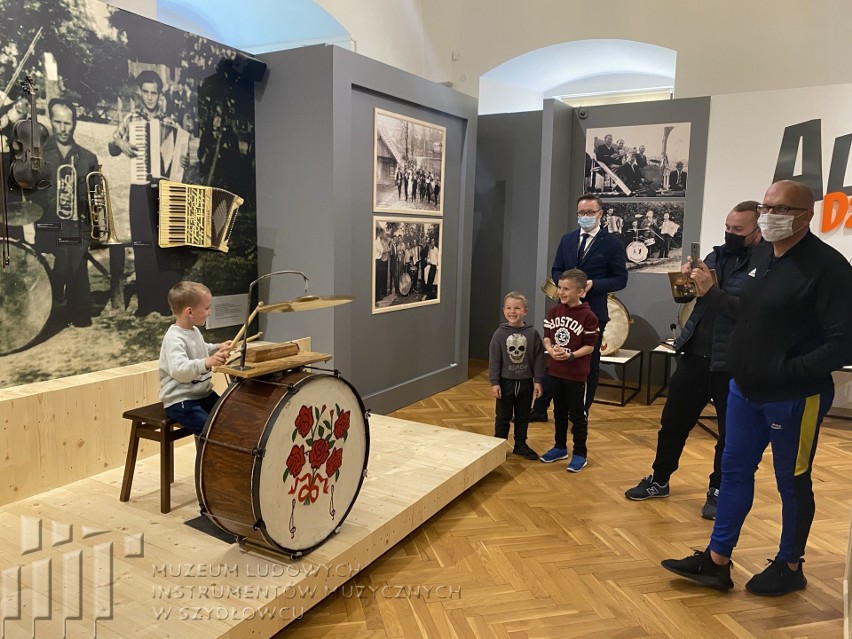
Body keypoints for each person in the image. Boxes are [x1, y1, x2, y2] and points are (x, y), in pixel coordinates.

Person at [661, 180, 852, 596]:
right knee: (733, 474)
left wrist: (786, 371)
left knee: (792, 481)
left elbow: (843, 343)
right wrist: (711, 294)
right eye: (767, 206)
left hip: (795, 398)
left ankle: (790, 564)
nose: (769, 215)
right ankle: (716, 561)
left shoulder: (830, 268)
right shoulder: (761, 257)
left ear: (806, 215)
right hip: (743, 391)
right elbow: (745, 312)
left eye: (781, 209)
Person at [624, 201, 762, 519]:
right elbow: (688, 299)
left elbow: (749, 313)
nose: (730, 234)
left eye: (737, 230)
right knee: (672, 424)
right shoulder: (714, 256)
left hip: (733, 364)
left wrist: (710, 290)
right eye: (727, 227)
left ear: (757, 230)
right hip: (694, 354)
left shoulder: (766, 263)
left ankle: (717, 492)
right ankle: (659, 480)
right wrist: (684, 282)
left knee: (729, 435)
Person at [531, 193, 628, 421]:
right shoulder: (567, 239)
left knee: (589, 364)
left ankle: (581, 411)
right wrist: (565, 285)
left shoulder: (612, 244)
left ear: (600, 214)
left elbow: (621, 279)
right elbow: (556, 269)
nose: (584, 217)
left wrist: (593, 285)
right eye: (581, 213)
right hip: (563, 311)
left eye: (589, 213)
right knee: (554, 357)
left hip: (593, 312)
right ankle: (539, 409)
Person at [109, 69, 190, 316]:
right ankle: (146, 302)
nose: (150, 97)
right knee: (142, 244)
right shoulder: (131, 119)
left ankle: (164, 303)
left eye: (154, 93)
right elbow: (113, 147)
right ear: (139, 93)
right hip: (139, 187)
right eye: (145, 92)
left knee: (163, 246)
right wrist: (119, 143)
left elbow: (179, 158)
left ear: (160, 94)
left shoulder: (170, 122)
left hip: (163, 191)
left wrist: (182, 162)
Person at [32, 99, 100, 327]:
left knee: (73, 243)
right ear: (50, 121)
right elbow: (32, 195)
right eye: (57, 122)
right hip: (48, 223)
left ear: (75, 124)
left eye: (67, 123)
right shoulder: (39, 154)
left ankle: (71, 304)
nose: (62, 128)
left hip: (75, 225)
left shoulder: (88, 158)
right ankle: (65, 303)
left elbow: (94, 199)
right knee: (60, 246)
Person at [539, 269, 599, 471]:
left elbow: (589, 347)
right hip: (556, 371)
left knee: (578, 415)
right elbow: (547, 336)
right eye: (559, 287)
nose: (561, 292)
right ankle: (560, 447)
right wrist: (549, 349)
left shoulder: (589, 316)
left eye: (566, 289)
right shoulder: (553, 311)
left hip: (575, 375)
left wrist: (571, 355)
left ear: (581, 292)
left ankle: (580, 453)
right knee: (558, 411)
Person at [159, 281, 232, 435]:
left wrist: (217, 347)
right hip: (181, 400)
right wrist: (208, 362)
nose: (210, 312)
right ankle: (209, 458)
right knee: (212, 431)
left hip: (202, 394)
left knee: (229, 417)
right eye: (206, 308)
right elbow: (180, 370)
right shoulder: (174, 338)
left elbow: (200, 348)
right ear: (189, 312)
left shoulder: (193, 331)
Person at [489, 291, 545, 461]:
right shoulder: (499, 334)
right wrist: (495, 382)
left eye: (517, 308)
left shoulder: (532, 333)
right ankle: (498, 446)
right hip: (505, 383)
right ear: (503, 310)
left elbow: (539, 358)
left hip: (526, 383)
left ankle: (520, 445)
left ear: (525, 311)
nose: (512, 311)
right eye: (509, 308)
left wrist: (538, 381)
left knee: (523, 416)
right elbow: (495, 359)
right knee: (503, 417)